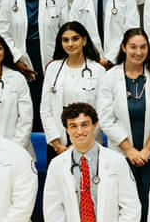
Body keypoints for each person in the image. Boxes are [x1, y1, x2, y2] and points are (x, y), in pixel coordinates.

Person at [97, 29, 150, 209]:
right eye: (133, 47)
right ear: (123, 47)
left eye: (143, 47)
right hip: (122, 154)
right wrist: (129, 150)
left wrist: (147, 149)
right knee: (125, 205)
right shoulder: (110, 77)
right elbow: (106, 119)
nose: (138, 52)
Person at [0, 0, 69, 124]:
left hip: (52, 59)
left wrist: (58, 59)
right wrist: (16, 60)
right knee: (28, 108)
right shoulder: (9, 0)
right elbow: (2, 33)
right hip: (22, 61)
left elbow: (67, 30)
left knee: (53, 107)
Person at [39, 22, 105, 157]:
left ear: (84, 40)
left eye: (75, 39)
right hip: (59, 143)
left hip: (89, 139)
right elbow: (45, 109)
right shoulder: (53, 68)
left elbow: (102, 112)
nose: (70, 44)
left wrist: (79, 142)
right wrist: (57, 144)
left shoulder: (98, 70)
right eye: (65, 40)